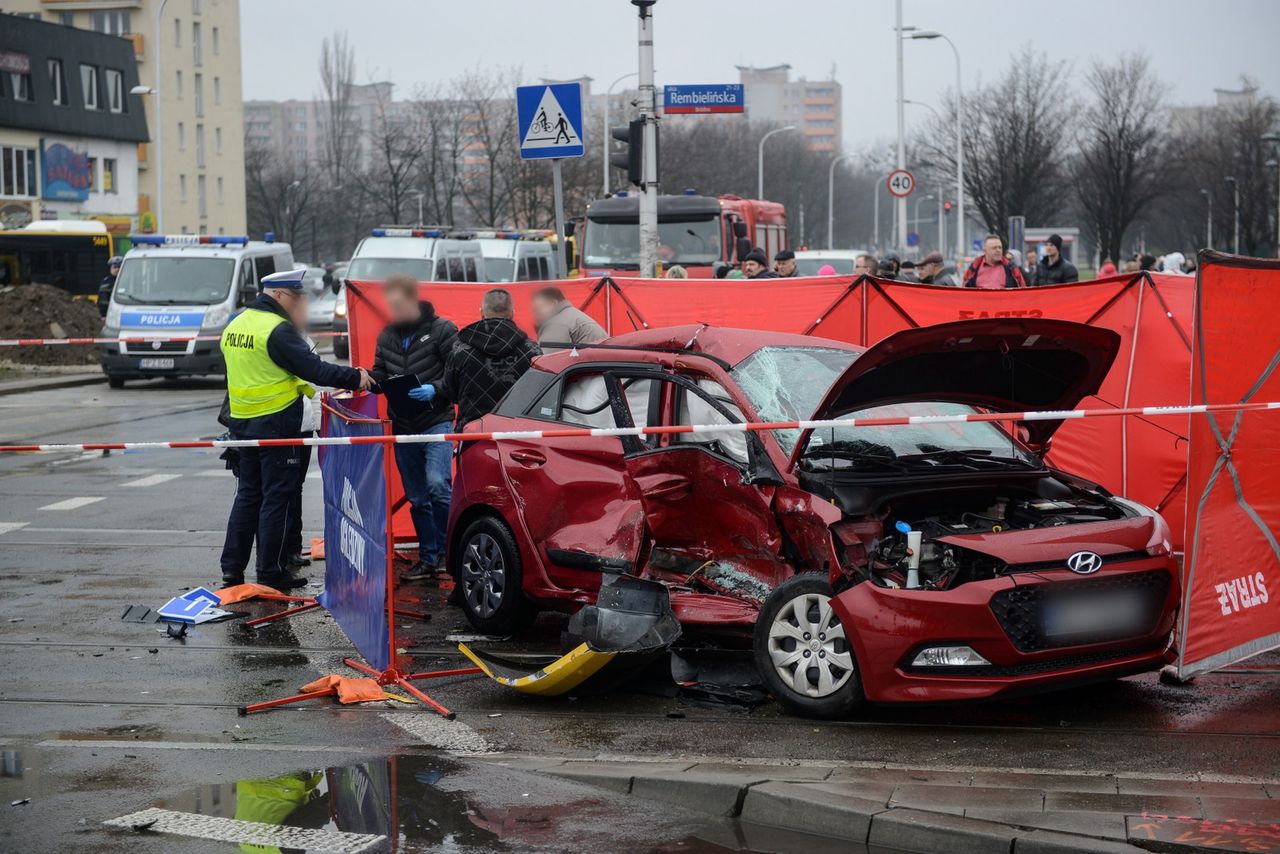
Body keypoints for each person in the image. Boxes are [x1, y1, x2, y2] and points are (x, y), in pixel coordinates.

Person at [219, 268, 370, 591]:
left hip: (243, 425)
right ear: (279, 295)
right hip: (277, 425)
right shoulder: (277, 329)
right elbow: (314, 369)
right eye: (295, 297)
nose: (298, 303)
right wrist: (355, 377)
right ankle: (270, 572)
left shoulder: (237, 324)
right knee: (276, 499)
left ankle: (232, 568)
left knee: (247, 497)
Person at [369, 273, 459, 582]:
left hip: (437, 421)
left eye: (398, 303)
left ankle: (451, 554)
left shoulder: (443, 330)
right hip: (403, 425)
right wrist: (370, 380)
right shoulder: (387, 335)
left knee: (437, 486)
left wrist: (436, 388)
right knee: (418, 496)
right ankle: (429, 558)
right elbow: (379, 373)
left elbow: (457, 373)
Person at [442, 288, 540, 430]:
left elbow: (449, 392)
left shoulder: (461, 349)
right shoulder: (532, 349)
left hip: (473, 433)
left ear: (482, 312)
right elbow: (539, 392)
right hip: (518, 434)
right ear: (512, 313)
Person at [531, 286, 607, 352]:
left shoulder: (557, 324)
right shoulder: (571, 315)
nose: (536, 316)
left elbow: (544, 361)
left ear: (552, 304)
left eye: (538, 309)